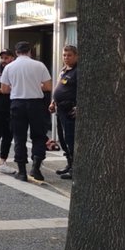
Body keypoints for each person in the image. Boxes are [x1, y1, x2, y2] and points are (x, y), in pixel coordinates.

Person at [0, 41, 52, 182]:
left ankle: (22, 171)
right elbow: (48, 86)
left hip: (17, 103)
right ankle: (36, 167)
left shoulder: (9, 67)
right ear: (30, 51)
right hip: (36, 104)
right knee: (39, 136)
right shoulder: (39, 65)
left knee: (19, 137)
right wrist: (35, 86)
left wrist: (17, 86)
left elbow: (4, 89)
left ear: (16, 52)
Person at [50, 45, 78, 180]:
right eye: (64, 55)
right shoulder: (64, 70)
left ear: (76, 56)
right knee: (62, 139)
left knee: (71, 140)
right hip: (59, 109)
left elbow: (84, 92)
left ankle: (75, 169)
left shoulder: (78, 71)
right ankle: (69, 164)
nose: (66, 58)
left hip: (70, 111)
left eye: (69, 55)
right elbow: (58, 86)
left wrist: (80, 108)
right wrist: (53, 102)